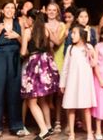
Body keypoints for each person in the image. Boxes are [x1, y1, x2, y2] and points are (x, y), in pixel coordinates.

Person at [0, 1, 26, 137]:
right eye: (7, 7)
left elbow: (24, 43)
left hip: (14, 57)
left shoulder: (19, 23)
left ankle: (16, 126)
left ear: (15, 11)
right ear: (2, 10)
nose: (10, 10)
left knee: (14, 91)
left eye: (12, 8)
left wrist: (18, 36)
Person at [20, 9, 60, 140]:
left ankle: (43, 131)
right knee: (43, 99)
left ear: (31, 19)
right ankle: (48, 126)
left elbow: (23, 52)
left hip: (34, 65)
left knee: (32, 102)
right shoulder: (46, 30)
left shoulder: (28, 31)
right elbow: (56, 42)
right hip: (46, 64)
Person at [61, 25, 98, 140]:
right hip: (72, 82)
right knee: (71, 107)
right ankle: (72, 133)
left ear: (81, 35)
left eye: (74, 33)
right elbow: (65, 67)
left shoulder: (89, 47)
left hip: (85, 82)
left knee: (86, 108)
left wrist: (90, 53)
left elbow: (93, 64)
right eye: (72, 33)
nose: (72, 35)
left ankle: (89, 133)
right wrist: (62, 83)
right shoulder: (70, 49)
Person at [45, 1, 67, 133]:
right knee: (47, 94)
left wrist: (50, 33)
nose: (52, 12)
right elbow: (47, 44)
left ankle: (58, 121)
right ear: (46, 11)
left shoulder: (62, 25)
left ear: (58, 12)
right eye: (49, 9)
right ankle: (49, 122)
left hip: (59, 60)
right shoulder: (42, 25)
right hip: (46, 60)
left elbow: (57, 43)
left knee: (59, 94)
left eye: (54, 10)